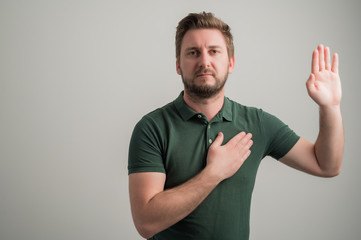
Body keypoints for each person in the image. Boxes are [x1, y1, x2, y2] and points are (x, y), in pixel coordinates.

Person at [128, 12, 344, 240]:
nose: (204, 61)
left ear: (230, 63)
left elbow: (326, 165)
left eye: (214, 51)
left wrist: (330, 107)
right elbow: (146, 222)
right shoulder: (152, 128)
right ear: (178, 65)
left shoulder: (257, 123)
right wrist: (213, 173)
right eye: (193, 53)